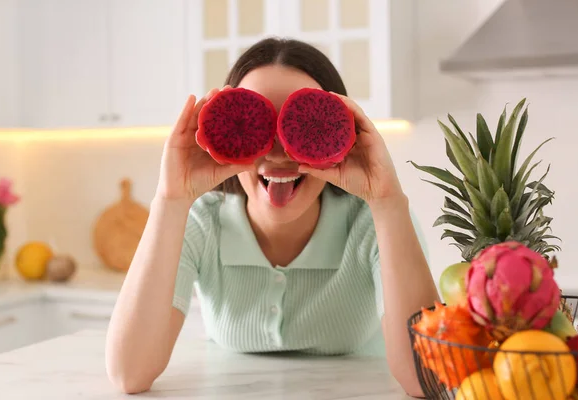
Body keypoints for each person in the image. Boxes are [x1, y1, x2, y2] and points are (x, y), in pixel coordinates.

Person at [105, 37, 439, 397]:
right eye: (257, 127)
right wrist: (170, 200)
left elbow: (426, 380)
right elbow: (129, 375)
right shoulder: (201, 223)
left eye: (303, 125)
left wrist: (387, 201)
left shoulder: (375, 224)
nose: (280, 153)